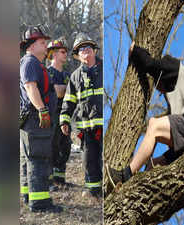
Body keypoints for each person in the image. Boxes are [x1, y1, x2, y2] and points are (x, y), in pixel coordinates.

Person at [106, 43, 184, 188]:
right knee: (152, 165)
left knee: (154, 124)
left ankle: (124, 175)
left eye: (158, 85)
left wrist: (135, 50)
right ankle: (132, 188)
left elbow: (150, 64)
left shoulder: (173, 66)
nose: (159, 90)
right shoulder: (174, 100)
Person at [19, 25, 62, 213]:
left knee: (29, 158)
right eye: (43, 43)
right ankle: (40, 202)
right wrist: (43, 110)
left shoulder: (34, 63)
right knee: (38, 158)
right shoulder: (30, 62)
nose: (46, 47)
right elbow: (30, 87)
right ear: (31, 45)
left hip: (32, 119)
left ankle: (29, 195)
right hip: (36, 119)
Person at [59, 33, 103, 198]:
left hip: (105, 125)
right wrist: (64, 120)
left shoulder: (104, 69)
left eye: (88, 48)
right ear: (78, 56)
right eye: (81, 49)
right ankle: (94, 191)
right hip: (86, 127)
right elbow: (68, 101)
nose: (85, 51)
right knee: (89, 160)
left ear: (94, 51)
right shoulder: (75, 76)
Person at [46, 38, 72, 186]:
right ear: (54, 54)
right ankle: (49, 179)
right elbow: (57, 92)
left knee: (65, 146)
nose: (65, 54)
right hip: (52, 115)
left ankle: (60, 178)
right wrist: (67, 89)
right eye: (62, 52)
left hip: (65, 114)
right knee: (52, 146)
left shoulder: (67, 75)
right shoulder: (48, 73)